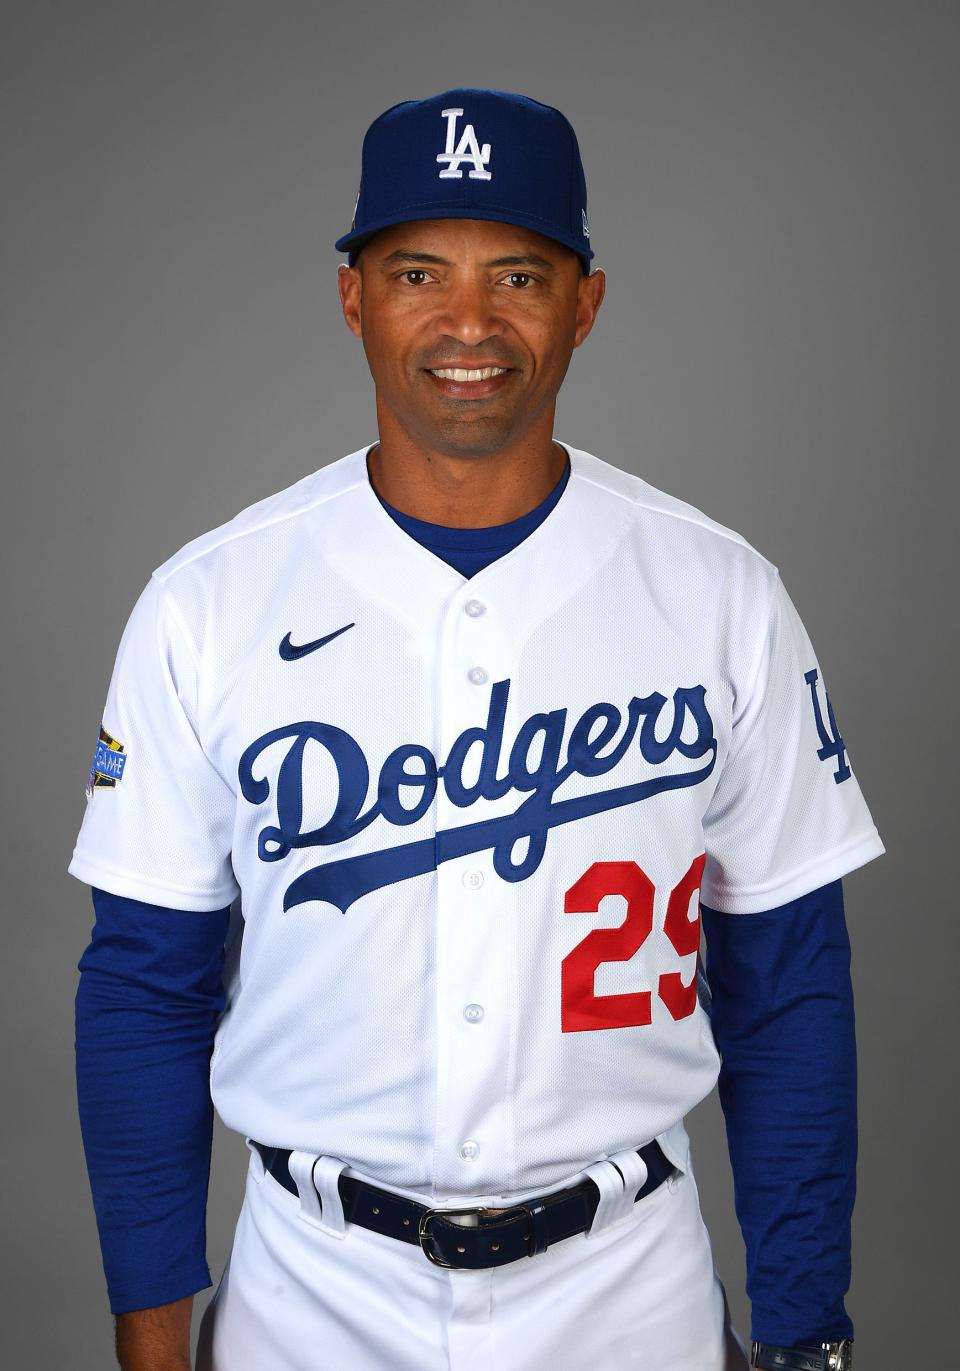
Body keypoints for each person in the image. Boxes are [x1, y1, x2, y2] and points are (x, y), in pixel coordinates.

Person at [71, 89, 882, 1371]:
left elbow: (788, 989)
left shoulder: (720, 593)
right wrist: (154, 1336)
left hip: (628, 1294)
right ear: (353, 300)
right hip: (311, 1297)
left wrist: (803, 1335)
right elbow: (143, 990)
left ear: (585, 303)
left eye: (519, 272)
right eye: (416, 272)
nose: (469, 322)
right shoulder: (209, 601)